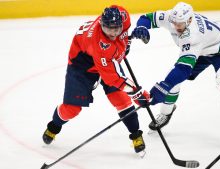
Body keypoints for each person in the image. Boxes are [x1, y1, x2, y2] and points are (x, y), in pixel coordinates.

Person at [42, 5, 150, 155]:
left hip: (104, 61)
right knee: (71, 109)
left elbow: (121, 33)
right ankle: (54, 126)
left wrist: (131, 36)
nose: (113, 33)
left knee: (121, 100)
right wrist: (137, 93)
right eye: (108, 29)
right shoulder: (100, 45)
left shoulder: (122, 16)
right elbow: (113, 77)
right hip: (82, 64)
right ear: (102, 25)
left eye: (116, 28)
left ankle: (136, 135)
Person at [131, 2, 220, 131]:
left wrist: (163, 87)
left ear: (189, 20)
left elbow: (183, 69)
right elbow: (147, 18)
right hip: (203, 49)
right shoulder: (172, 18)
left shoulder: (193, 35)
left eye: (180, 24)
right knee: (173, 81)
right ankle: (166, 112)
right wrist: (142, 27)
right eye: (174, 23)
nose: (176, 26)